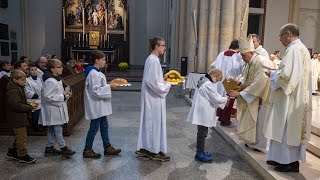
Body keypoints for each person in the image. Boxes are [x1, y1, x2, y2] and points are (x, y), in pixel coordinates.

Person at [264, 23, 312, 173]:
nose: (280, 39)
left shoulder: (293, 50)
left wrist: (272, 74)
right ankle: (287, 161)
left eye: (281, 35)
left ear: (289, 33)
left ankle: (288, 162)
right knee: (289, 131)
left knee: (286, 129)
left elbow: (286, 76)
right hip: (297, 96)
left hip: (290, 98)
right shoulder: (301, 49)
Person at [228, 35, 271, 153]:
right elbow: (245, 77)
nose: (242, 58)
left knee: (260, 123)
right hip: (253, 98)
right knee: (254, 121)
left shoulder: (261, 61)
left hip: (262, 98)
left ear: (250, 52)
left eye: (243, 55)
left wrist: (240, 93)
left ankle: (260, 145)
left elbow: (260, 82)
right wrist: (239, 84)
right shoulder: (251, 62)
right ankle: (252, 142)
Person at [136, 37, 173, 161]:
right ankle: (153, 151)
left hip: (153, 97)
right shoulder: (153, 60)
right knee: (153, 124)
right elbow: (151, 82)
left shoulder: (153, 59)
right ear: (156, 46)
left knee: (151, 123)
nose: (164, 47)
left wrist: (164, 80)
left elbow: (155, 79)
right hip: (153, 98)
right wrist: (168, 85)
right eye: (162, 45)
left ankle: (148, 148)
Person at [82, 50, 121, 158]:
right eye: (103, 59)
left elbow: (99, 87)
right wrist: (109, 87)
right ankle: (87, 149)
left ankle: (107, 146)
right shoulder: (93, 73)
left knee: (104, 126)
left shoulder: (97, 72)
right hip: (96, 105)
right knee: (94, 127)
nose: (105, 61)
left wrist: (108, 85)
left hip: (100, 106)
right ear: (97, 60)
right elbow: (96, 91)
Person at [186, 69, 228, 163]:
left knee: (202, 132)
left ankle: (201, 151)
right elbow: (216, 98)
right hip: (203, 112)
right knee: (202, 133)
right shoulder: (207, 84)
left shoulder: (203, 79)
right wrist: (226, 98)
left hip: (202, 110)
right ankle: (199, 153)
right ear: (214, 76)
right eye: (217, 79)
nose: (216, 81)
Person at [39, 59, 76, 157]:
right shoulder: (51, 81)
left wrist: (64, 93)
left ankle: (49, 147)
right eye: (59, 67)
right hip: (52, 109)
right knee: (58, 128)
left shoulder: (56, 78)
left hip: (55, 108)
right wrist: (63, 96)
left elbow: (55, 93)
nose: (62, 68)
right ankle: (63, 148)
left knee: (52, 128)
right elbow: (48, 96)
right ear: (52, 69)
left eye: (61, 66)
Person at [5, 69, 36, 163]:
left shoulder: (17, 87)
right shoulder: (13, 90)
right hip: (17, 117)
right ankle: (22, 155)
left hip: (20, 116)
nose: (25, 82)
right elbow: (16, 105)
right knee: (21, 137)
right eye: (22, 80)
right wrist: (29, 107)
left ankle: (12, 152)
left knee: (19, 136)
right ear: (15, 80)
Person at [211, 39, 244, 126]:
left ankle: (220, 116)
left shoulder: (222, 53)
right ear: (238, 48)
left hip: (220, 80)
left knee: (221, 97)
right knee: (229, 99)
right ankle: (225, 119)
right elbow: (236, 70)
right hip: (230, 81)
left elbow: (213, 65)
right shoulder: (236, 56)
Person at [25, 63, 43, 132]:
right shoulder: (27, 80)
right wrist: (35, 95)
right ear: (29, 71)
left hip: (40, 99)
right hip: (32, 99)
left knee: (41, 112)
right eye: (32, 70)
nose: (34, 71)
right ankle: (35, 125)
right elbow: (26, 90)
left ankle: (40, 124)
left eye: (35, 70)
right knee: (35, 112)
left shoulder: (39, 79)